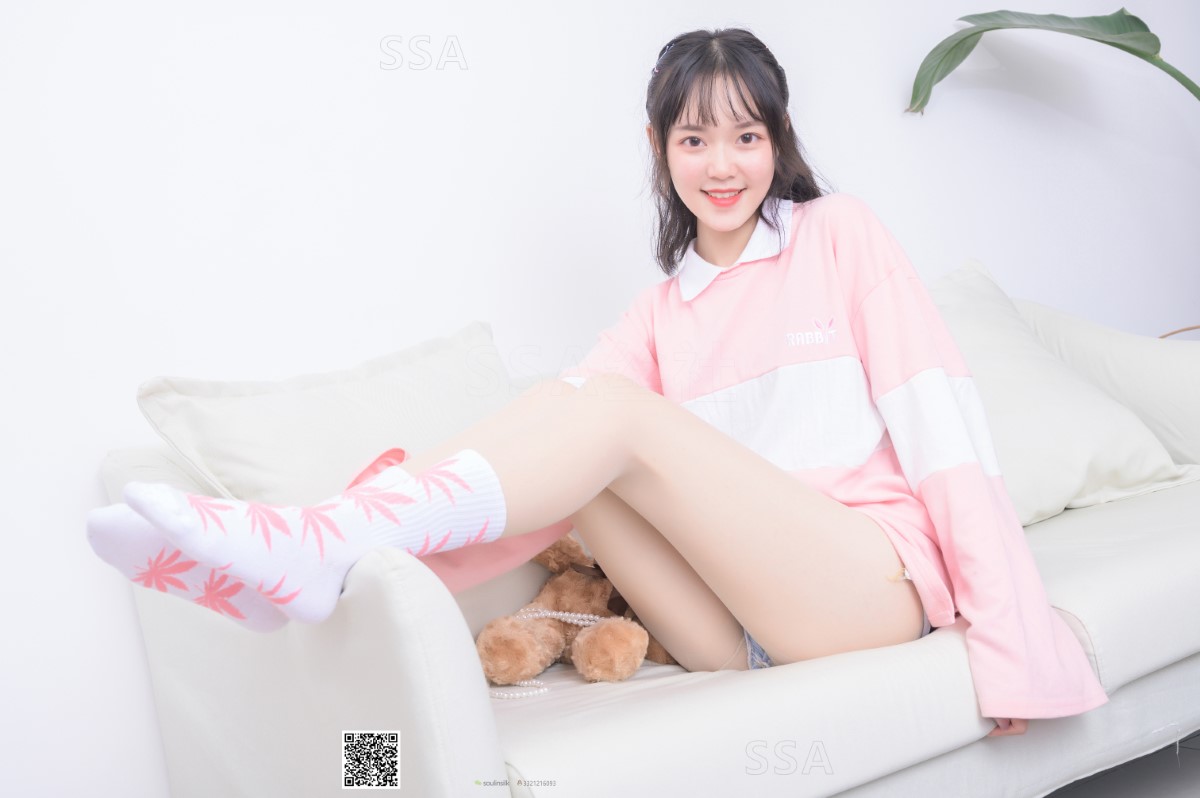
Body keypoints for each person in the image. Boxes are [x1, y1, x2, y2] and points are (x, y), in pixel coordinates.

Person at [87, 28, 1110, 739]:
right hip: (732, 634)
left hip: (868, 586)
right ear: (661, 150)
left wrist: (1012, 641)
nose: (722, 164)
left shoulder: (838, 236)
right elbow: (543, 456)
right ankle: (322, 548)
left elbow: (944, 433)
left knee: (613, 411)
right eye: (694, 138)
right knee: (573, 427)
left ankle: (319, 540)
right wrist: (381, 530)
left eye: (746, 135)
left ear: (778, 141)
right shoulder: (660, 315)